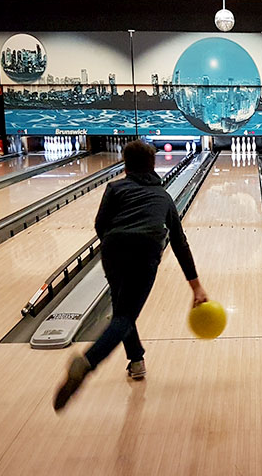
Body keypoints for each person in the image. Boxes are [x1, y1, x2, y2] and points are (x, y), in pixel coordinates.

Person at [54, 140, 208, 411]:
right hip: (145, 250)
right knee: (125, 316)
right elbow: (180, 243)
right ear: (153, 165)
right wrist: (196, 287)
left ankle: (136, 359)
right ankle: (88, 362)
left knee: (121, 309)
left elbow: (100, 225)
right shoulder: (164, 197)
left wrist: (114, 249)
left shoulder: (114, 188)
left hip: (113, 249)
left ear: (125, 165)